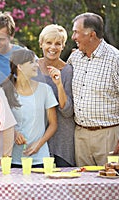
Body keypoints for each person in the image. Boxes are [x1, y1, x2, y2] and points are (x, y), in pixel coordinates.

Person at [67, 12, 119, 166]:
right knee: (82, 187)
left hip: (108, 136)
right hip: (80, 136)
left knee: (111, 185)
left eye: (76, 32)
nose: (73, 37)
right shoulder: (75, 58)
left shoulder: (115, 59)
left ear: (91, 35)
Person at [1, 49, 58, 168]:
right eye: (32, 62)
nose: (37, 65)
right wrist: (14, 133)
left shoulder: (45, 90)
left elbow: (53, 124)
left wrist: (39, 144)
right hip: (13, 159)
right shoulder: (4, 91)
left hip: (40, 158)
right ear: (20, 66)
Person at [35, 24, 75, 167]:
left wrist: (59, 85)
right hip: (36, 138)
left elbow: (67, 111)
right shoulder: (31, 68)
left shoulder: (68, 71)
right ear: (41, 44)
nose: (53, 47)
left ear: (63, 46)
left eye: (58, 43)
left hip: (61, 140)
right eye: (48, 42)